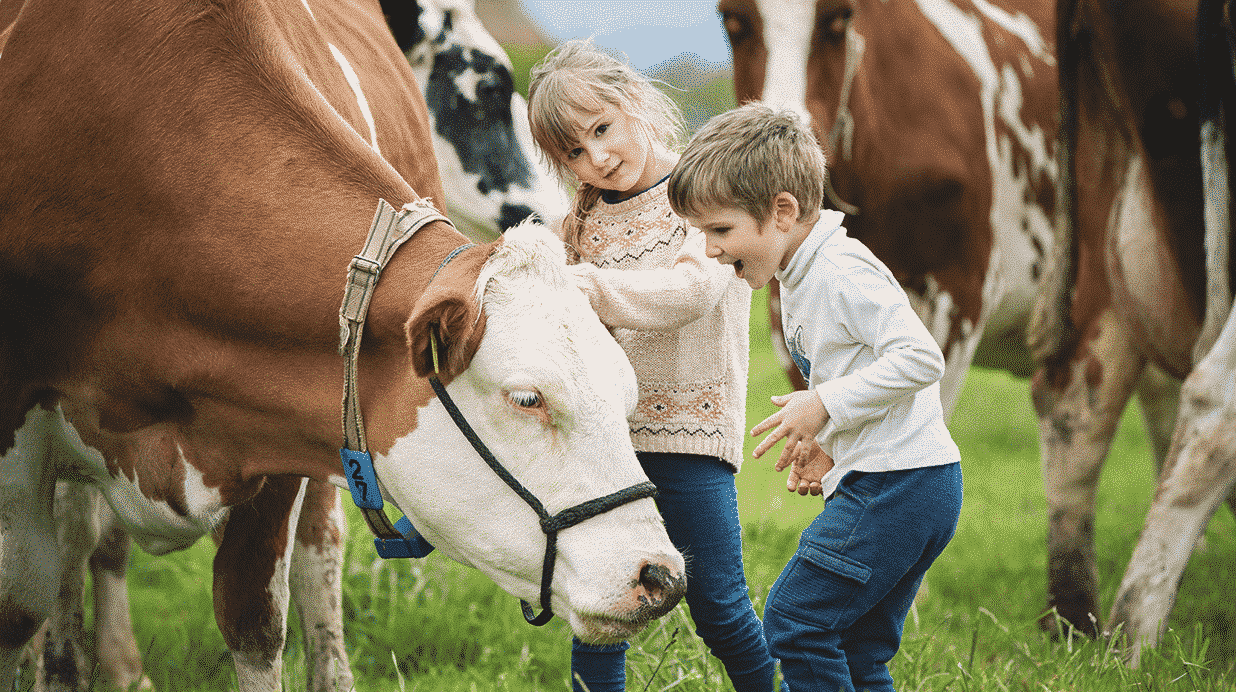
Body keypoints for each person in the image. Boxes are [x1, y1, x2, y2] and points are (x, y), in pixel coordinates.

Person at [667, 102, 964, 692]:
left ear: (782, 212)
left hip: (899, 485)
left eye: (720, 230)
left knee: (796, 621)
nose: (709, 250)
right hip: (901, 479)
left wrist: (825, 406)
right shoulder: (801, 273)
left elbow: (921, 357)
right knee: (856, 650)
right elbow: (854, 366)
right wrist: (827, 443)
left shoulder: (840, 270)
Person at [526, 40, 781, 692]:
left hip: (689, 440)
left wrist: (590, 288)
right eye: (574, 153)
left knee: (719, 608)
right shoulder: (579, 221)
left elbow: (693, 292)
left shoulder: (699, 194)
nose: (598, 158)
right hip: (607, 445)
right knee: (602, 607)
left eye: (602, 130)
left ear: (634, 100)